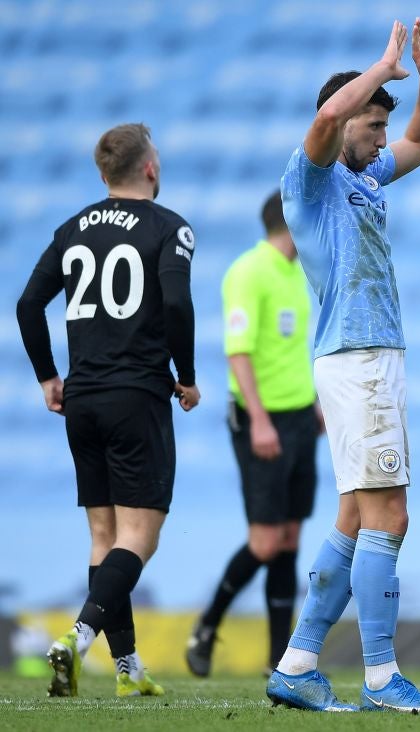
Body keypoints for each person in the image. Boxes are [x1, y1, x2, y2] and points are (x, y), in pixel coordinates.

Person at [264, 19, 420, 714]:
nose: (381, 137)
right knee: (390, 515)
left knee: (353, 515)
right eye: (372, 124)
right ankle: (381, 678)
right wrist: (381, 67)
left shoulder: (365, 174)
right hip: (357, 356)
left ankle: (298, 663)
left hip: (370, 356)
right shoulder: (307, 180)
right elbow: (327, 115)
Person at [15, 122, 200, 698]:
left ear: (103, 175)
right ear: (150, 168)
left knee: (104, 535)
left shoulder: (71, 229)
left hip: (82, 397)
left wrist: (49, 375)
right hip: (135, 394)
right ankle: (77, 636)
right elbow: (175, 300)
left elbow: (26, 305)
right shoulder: (171, 227)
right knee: (140, 537)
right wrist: (187, 377)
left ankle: (127, 670)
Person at [186, 192, 322, 678]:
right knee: (264, 542)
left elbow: (287, 350)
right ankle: (206, 627)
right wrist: (261, 420)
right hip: (259, 419)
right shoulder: (248, 271)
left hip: (300, 415)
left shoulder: (295, 273)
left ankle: (278, 660)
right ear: (291, 220)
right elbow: (238, 351)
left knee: (288, 539)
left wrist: (314, 404)